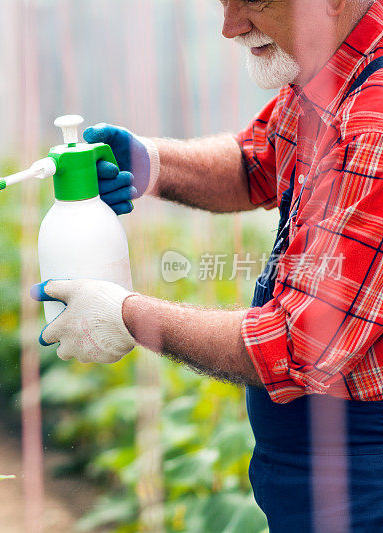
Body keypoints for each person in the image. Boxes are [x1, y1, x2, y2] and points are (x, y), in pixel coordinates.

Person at [32, 0, 383, 530]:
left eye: (252, 2)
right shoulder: (338, 63)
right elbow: (257, 160)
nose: (229, 27)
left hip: (363, 477)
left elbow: (297, 344)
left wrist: (128, 316)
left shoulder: (375, 123)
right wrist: (151, 161)